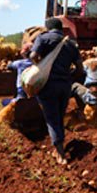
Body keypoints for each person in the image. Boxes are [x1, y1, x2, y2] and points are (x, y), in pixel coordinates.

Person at [31, 17, 83, 165]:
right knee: (59, 115)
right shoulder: (70, 43)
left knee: (52, 119)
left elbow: (33, 56)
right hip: (65, 86)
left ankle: (61, 153)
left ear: (47, 28)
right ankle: (58, 147)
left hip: (48, 85)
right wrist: (68, 77)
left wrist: (42, 68)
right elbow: (80, 68)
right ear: (61, 28)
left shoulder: (43, 38)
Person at [0, 44, 34, 124]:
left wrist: (9, 61)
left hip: (22, 92)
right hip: (36, 91)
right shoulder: (39, 63)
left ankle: (14, 120)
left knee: (4, 102)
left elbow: (9, 66)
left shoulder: (20, 63)